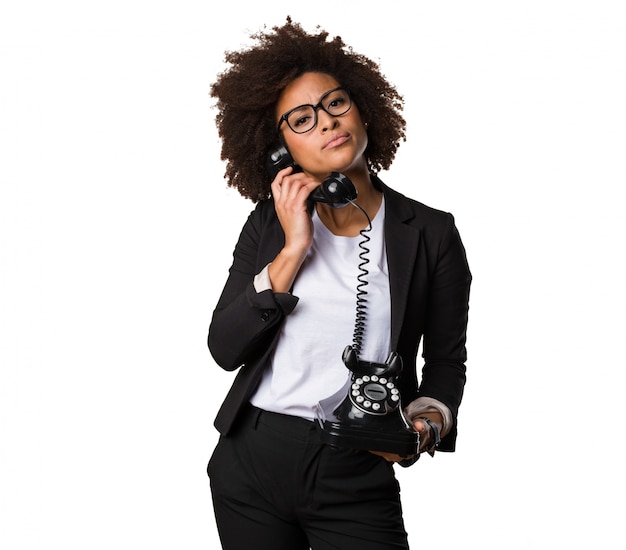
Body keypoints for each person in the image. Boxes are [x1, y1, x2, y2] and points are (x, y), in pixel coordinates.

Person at [206, 18, 471, 550]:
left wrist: (426, 423)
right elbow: (224, 347)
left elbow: (445, 362)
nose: (326, 122)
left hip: (355, 465)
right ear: (279, 148)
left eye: (335, 103)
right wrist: (293, 248)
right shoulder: (269, 225)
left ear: (363, 108)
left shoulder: (432, 233)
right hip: (252, 459)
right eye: (301, 119)